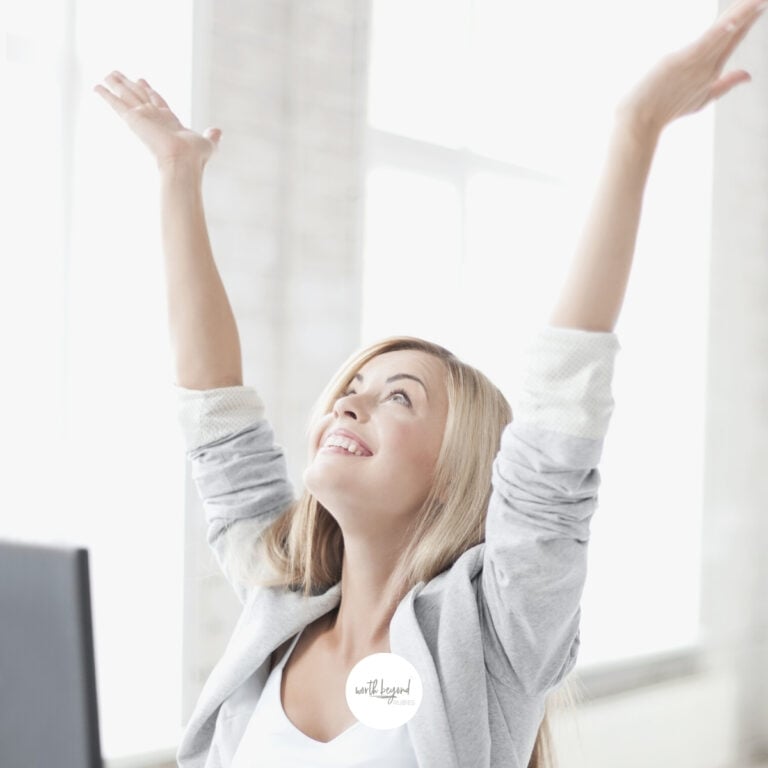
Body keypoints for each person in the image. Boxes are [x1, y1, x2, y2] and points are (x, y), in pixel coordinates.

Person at [94, 1, 766, 765]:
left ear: (457, 477)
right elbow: (215, 416)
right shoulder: (278, 600)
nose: (350, 399)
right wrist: (178, 174)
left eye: (399, 397)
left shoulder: (495, 635)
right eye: (354, 384)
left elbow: (557, 421)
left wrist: (634, 131)